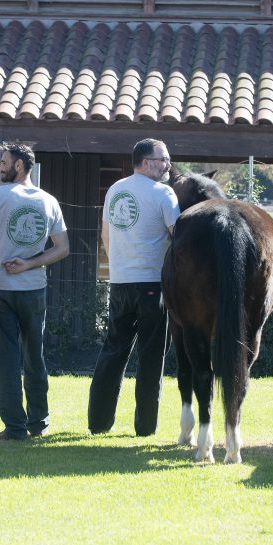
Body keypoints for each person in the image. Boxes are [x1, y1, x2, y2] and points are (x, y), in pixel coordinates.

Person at [0, 143, 69, 440]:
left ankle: (14, 428)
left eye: (5, 163)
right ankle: (39, 423)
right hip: (34, 290)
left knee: (7, 360)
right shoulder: (49, 201)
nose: (0, 167)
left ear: (19, 166)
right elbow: (63, 249)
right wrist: (30, 265)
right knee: (34, 357)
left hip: (0, 289)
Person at [88, 138, 180, 436]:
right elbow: (178, 237)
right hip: (152, 283)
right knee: (151, 355)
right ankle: (144, 427)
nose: (168, 165)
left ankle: (99, 423)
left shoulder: (115, 190)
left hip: (119, 281)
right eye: (163, 159)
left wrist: (119, 265)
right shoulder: (163, 193)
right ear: (145, 161)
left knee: (113, 350)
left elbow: (105, 236)